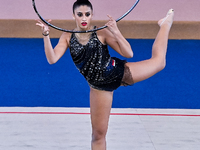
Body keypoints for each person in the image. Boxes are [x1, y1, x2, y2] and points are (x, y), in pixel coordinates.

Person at [36, 0, 174, 149]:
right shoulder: (67, 36)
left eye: (87, 14)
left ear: (92, 15)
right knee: (98, 135)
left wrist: (116, 31)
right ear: (73, 15)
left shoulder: (101, 32)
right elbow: (52, 59)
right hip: (98, 87)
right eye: (80, 14)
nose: (84, 18)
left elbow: (129, 53)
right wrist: (46, 35)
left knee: (160, 62)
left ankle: (165, 24)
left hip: (118, 72)